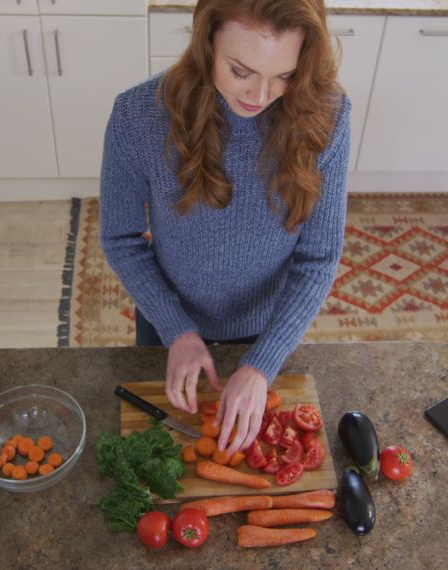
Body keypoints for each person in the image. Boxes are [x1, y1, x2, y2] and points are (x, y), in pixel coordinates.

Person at [99, 0, 349, 456]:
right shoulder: (137, 117)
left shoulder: (328, 115)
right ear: (206, 40)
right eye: (241, 70)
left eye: (285, 76)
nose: (260, 94)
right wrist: (176, 329)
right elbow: (121, 238)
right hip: (168, 320)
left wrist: (262, 364)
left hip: (270, 327)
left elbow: (318, 258)